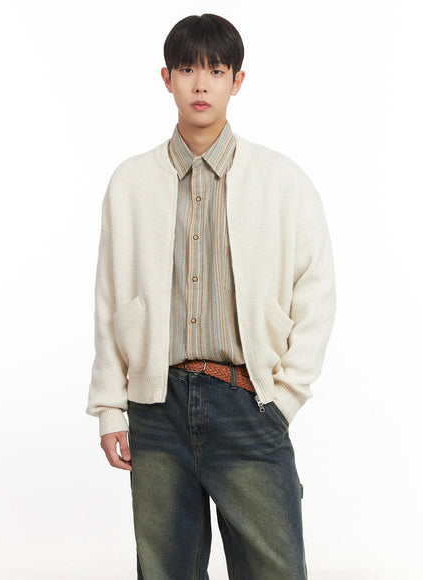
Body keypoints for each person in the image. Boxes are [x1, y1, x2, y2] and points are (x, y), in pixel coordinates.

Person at [86, 13, 336, 580]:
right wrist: (109, 407)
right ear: (166, 78)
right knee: (165, 572)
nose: (201, 84)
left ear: (237, 81)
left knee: (275, 571)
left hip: (248, 403)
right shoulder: (130, 183)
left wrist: (286, 397)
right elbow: (109, 299)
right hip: (156, 409)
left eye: (216, 71)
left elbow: (317, 291)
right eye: (187, 70)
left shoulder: (282, 181)